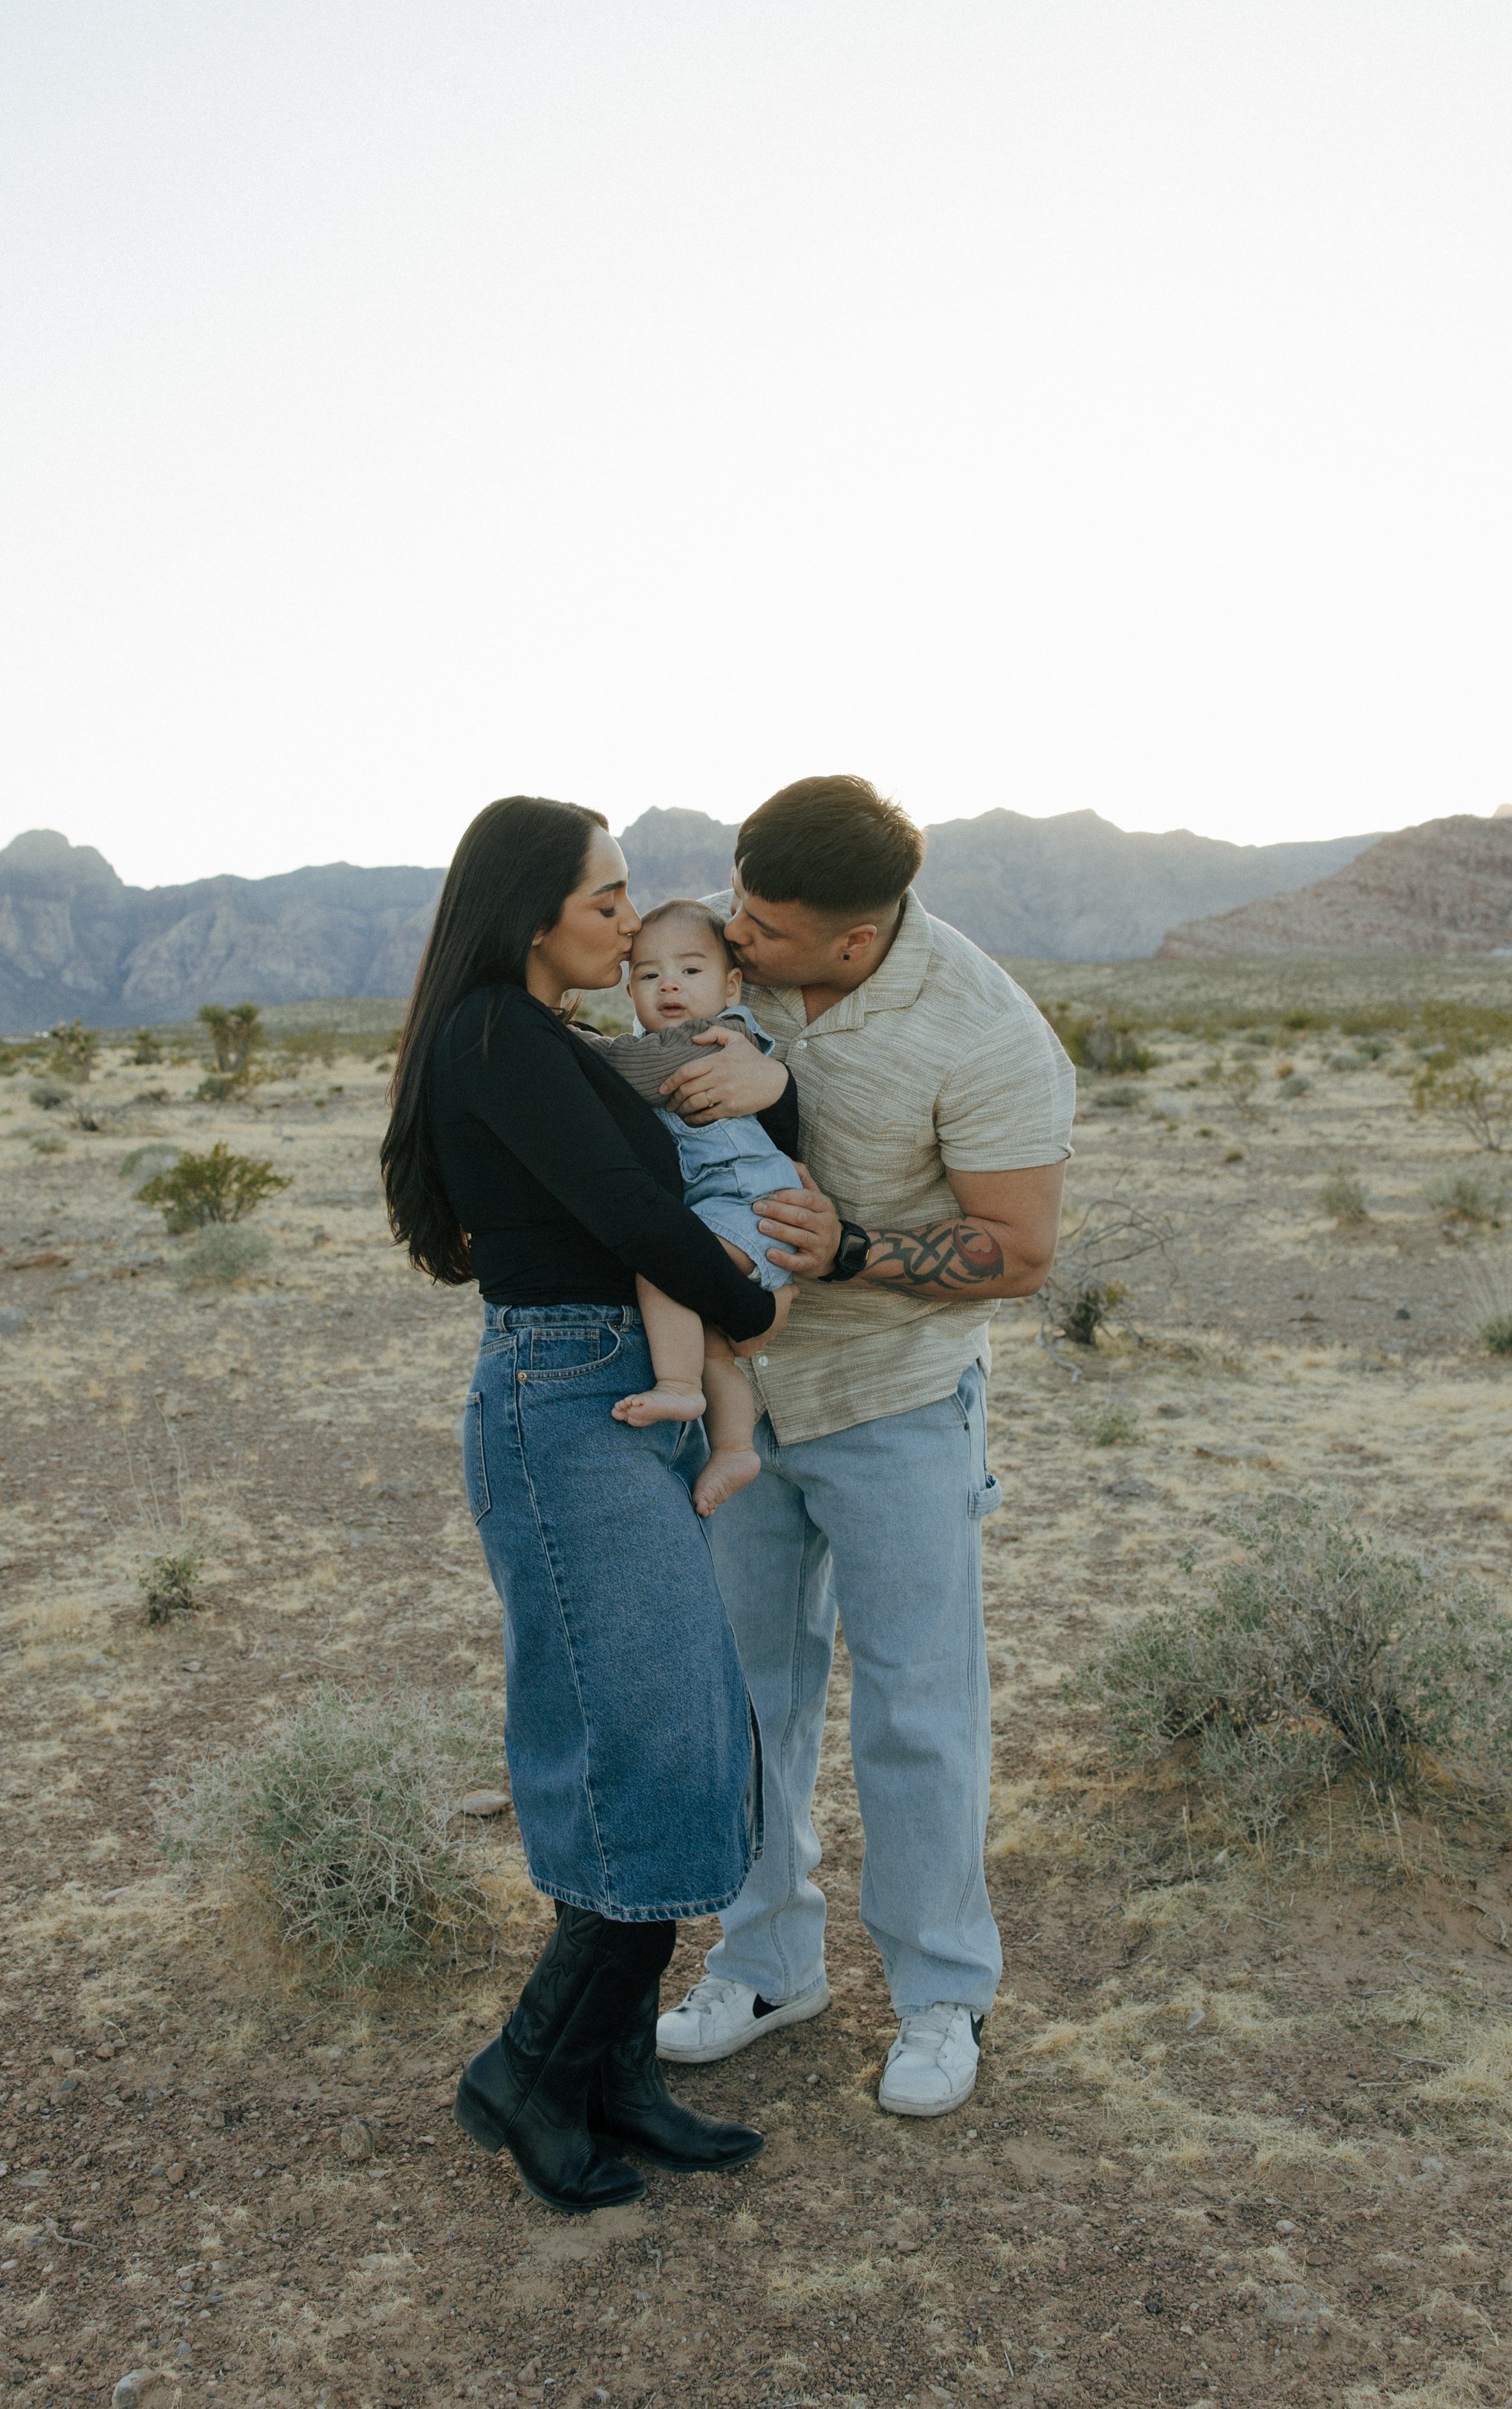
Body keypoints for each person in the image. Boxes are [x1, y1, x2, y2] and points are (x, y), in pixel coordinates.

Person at [380, 795, 802, 2212]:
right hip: (567, 1404)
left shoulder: (539, 1038)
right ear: (531, 910)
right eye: (609, 901)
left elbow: (689, 1129)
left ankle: (615, 2075)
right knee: (656, 1745)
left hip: (619, 1396)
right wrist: (750, 1302)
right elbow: (638, 1214)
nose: (633, 925)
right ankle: (528, 2074)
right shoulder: (496, 1032)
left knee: (665, 1738)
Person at [649, 774, 1077, 2118]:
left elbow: (1018, 1253)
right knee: (749, 1702)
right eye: (734, 899)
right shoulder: (729, 962)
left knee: (918, 1710)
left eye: (763, 925)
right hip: (745, 1403)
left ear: (854, 939)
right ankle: (767, 1964)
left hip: (897, 1400)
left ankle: (942, 1994)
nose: (736, 932)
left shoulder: (988, 1033)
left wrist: (857, 1249)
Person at [588, 899, 802, 1516]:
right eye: (650, 976)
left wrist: (568, 1045)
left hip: (754, 1206)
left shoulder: (721, 1034)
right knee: (710, 1339)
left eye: (689, 971)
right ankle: (735, 1446)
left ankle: (679, 1387)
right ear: (631, 989)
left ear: (730, 984)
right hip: (728, 1209)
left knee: (665, 1264)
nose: (670, 985)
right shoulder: (660, 1041)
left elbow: (638, 1069)